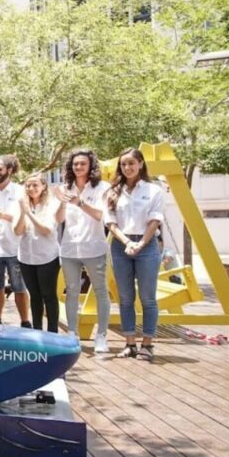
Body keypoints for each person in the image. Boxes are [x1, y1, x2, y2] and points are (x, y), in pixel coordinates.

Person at [105, 148, 166, 362]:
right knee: (125, 298)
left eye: (132, 163)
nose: (128, 168)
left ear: (140, 164)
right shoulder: (113, 191)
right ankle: (129, 343)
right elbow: (110, 223)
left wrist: (140, 243)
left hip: (147, 245)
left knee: (148, 298)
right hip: (121, 245)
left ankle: (147, 344)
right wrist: (127, 242)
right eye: (124, 164)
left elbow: (155, 220)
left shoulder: (154, 190)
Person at [55, 150, 112, 351]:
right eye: (75, 164)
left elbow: (100, 216)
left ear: (91, 166)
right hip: (70, 248)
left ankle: (101, 336)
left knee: (100, 291)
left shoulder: (103, 188)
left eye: (82, 164)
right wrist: (62, 201)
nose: (78, 167)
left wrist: (79, 202)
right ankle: (72, 334)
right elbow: (59, 219)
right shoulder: (64, 188)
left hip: (94, 246)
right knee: (71, 291)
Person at [0, 155, 30, 327]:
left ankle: (25, 322)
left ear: (9, 170)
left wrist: (4, 216)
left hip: (15, 247)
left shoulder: (20, 191)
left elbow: (24, 217)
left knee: (20, 287)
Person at [14, 172, 61, 333]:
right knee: (34, 296)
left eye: (35, 185)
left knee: (49, 295)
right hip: (26, 257)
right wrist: (23, 212)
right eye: (28, 185)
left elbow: (47, 230)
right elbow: (18, 231)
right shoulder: (21, 204)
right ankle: (37, 330)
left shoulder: (51, 204)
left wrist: (29, 213)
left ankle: (53, 332)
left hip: (47, 257)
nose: (31, 188)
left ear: (43, 186)